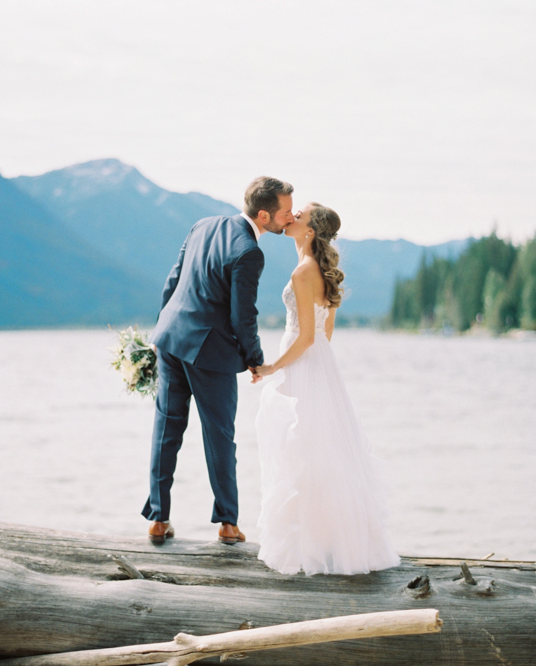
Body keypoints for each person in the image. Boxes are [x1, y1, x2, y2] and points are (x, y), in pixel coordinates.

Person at [143, 176, 294, 544]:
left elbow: (173, 281)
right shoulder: (249, 251)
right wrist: (255, 360)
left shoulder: (203, 224)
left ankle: (158, 520)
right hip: (209, 353)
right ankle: (228, 523)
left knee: (166, 429)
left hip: (170, 340)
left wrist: (161, 330)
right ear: (263, 215)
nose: (291, 217)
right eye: (286, 212)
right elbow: (244, 316)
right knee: (220, 437)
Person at [252, 203, 400, 575]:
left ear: (310, 231)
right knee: (323, 452)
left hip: (302, 363)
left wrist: (272, 367)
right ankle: (333, 542)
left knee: (301, 452)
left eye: (298, 215)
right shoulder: (322, 273)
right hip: (321, 366)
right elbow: (324, 334)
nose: (291, 217)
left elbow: (303, 338)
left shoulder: (303, 272)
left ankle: (308, 545)